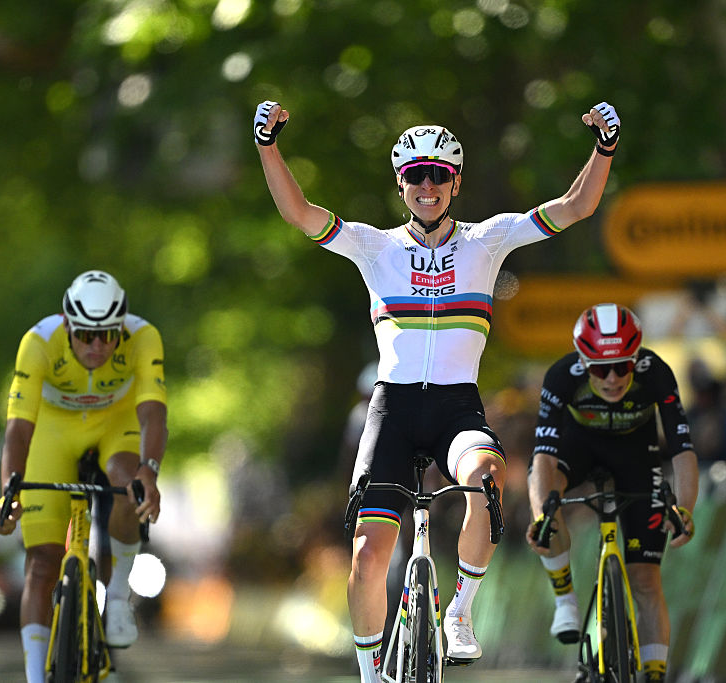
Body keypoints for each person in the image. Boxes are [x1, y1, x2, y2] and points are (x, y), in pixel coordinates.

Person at [254, 98, 620, 680]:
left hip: (456, 408)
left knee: (487, 478)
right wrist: (268, 146)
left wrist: (604, 147)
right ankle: (371, 673)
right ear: (400, 185)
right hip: (393, 410)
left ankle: (461, 612)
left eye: (439, 175)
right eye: (416, 175)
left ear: (455, 183)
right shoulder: (374, 246)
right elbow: (299, 213)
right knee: (368, 556)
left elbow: (576, 206)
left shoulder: (487, 240)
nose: (428, 186)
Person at [0, 270, 167, 683]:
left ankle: (117, 597)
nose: (97, 346)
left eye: (108, 335)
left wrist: (149, 471)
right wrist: (9, 494)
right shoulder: (39, 342)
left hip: (115, 424)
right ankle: (35, 677)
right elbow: (18, 429)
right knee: (41, 562)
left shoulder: (144, 336)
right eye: (86, 335)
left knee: (129, 483)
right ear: (67, 325)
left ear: (122, 328)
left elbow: (153, 413)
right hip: (53, 430)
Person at [526, 303, 697, 683]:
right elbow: (543, 456)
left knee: (646, 579)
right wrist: (541, 515)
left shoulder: (656, 372)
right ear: (583, 363)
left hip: (636, 455)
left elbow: (683, 449)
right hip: (579, 449)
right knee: (545, 494)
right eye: (601, 369)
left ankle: (654, 675)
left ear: (636, 358)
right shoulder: (561, 376)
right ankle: (565, 599)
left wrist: (684, 509)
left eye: (623, 365)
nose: (613, 378)